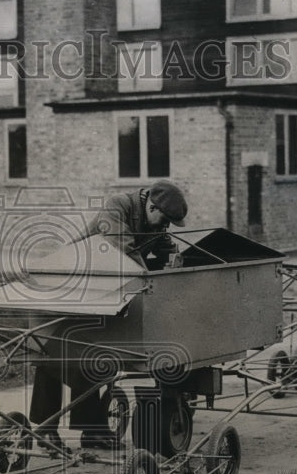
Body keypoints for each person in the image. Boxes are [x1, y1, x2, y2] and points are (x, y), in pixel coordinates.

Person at [30, 181, 189, 451]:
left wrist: (171, 256)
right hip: (65, 287)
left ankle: (92, 431)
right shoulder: (117, 206)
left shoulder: (151, 221)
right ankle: (46, 430)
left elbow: (160, 245)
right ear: (151, 206)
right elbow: (122, 250)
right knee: (55, 356)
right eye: (165, 220)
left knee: (95, 356)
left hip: (96, 291)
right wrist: (151, 280)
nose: (166, 227)